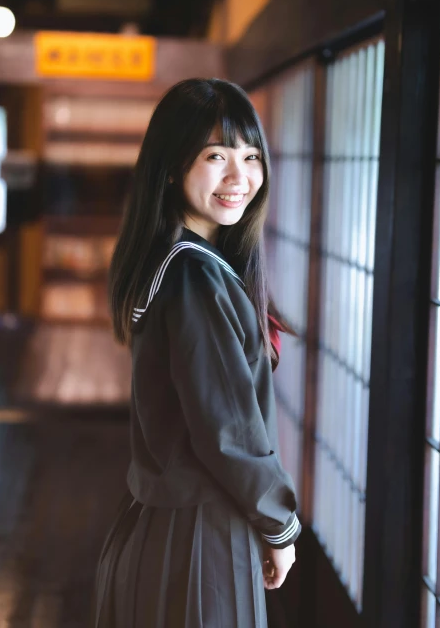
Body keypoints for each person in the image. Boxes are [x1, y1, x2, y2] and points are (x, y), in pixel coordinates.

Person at [92, 78, 301, 628]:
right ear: (171, 164)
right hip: (199, 539)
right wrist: (279, 525)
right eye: (216, 156)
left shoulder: (177, 261)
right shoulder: (194, 277)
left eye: (251, 156)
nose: (240, 177)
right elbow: (228, 431)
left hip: (161, 530)